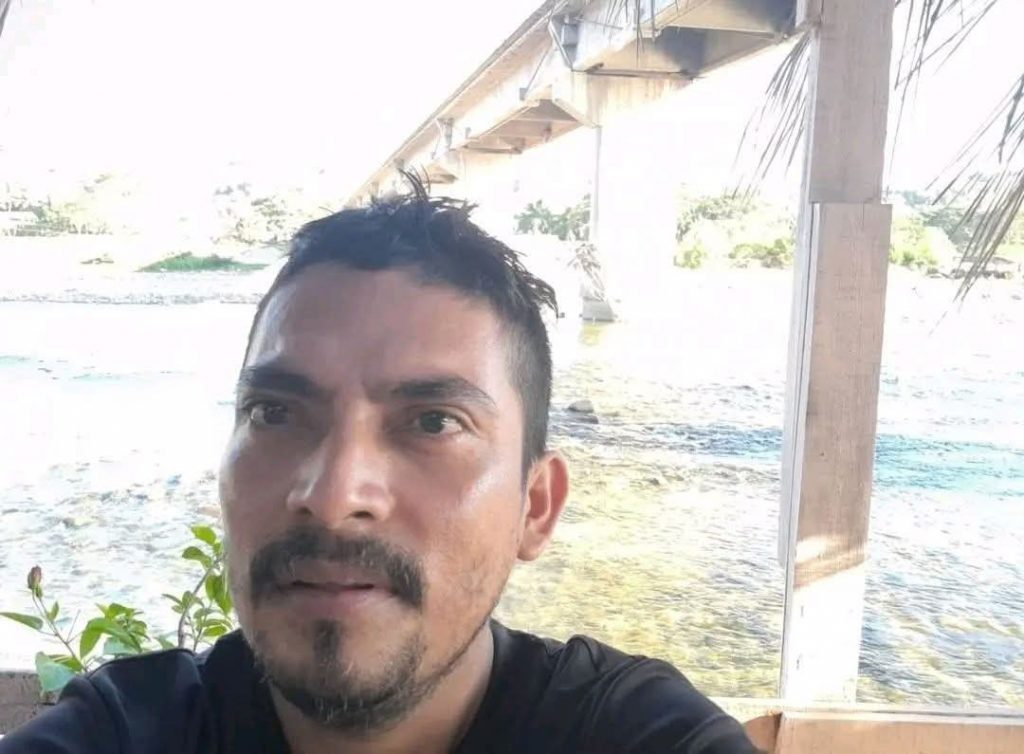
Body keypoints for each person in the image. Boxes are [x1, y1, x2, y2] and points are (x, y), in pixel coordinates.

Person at [0, 183, 759, 754]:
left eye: (433, 422)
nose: (333, 497)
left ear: (536, 507)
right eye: (275, 413)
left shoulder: (631, 735)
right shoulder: (128, 732)